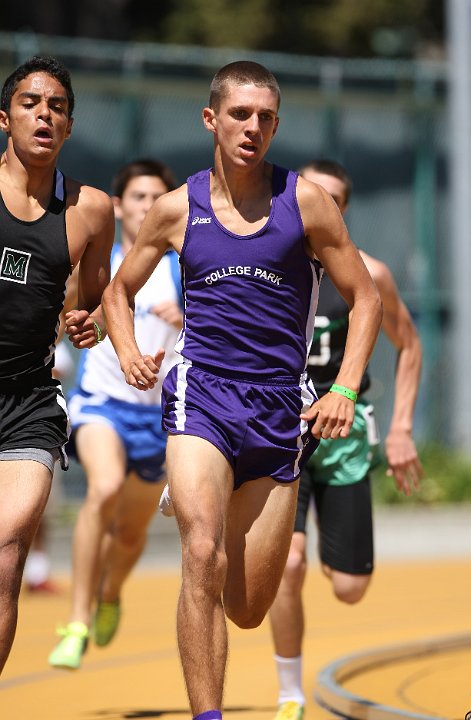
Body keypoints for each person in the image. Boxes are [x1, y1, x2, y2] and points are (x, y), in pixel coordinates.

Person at [101, 61, 382, 720]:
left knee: (249, 607)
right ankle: (209, 715)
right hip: (200, 393)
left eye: (264, 117)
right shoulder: (177, 209)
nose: (251, 127)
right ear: (211, 120)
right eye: (238, 114)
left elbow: (363, 296)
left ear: (275, 124)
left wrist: (341, 387)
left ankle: (219, 507)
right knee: (201, 551)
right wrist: (125, 348)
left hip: (278, 407)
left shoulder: (305, 202)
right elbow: (118, 288)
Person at [268, 158, 423, 720]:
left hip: (344, 434)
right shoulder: (267, 262)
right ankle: (290, 690)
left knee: (350, 588)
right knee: (288, 563)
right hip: (282, 431)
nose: (318, 207)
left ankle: (339, 553)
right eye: (311, 196)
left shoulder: (369, 273)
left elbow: (409, 346)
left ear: (344, 210)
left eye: (331, 199)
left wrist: (402, 427)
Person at [0, 55, 114, 675]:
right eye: (29, 103)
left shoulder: (90, 212)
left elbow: (91, 305)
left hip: (30, 403)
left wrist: (87, 322)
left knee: (7, 556)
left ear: (69, 126)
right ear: (3, 118)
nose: (44, 114)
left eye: (58, 107)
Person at [48, 159, 183, 670]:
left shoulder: (181, 266)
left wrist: (186, 317)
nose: (148, 206)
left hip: (158, 416)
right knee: (102, 490)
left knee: (130, 533)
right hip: (102, 404)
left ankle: (110, 592)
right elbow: (67, 315)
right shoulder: (99, 263)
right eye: (139, 197)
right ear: (120, 205)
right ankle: (77, 620)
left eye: (157, 197)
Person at [23, 340, 75, 594]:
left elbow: (57, 370)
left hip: (38, 431)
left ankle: (37, 572)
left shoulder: (50, 332)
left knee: (40, 509)